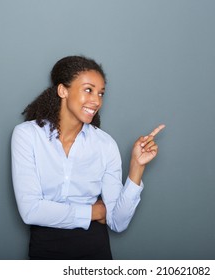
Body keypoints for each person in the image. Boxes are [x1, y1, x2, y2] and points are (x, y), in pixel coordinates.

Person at [11, 55, 165, 260]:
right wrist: (95, 213)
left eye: (101, 93)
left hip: (95, 252)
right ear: (62, 90)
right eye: (88, 90)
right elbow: (31, 211)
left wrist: (137, 167)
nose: (97, 100)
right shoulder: (27, 135)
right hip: (45, 251)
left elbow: (118, 222)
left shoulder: (105, 144)